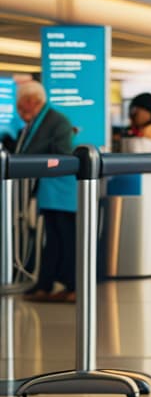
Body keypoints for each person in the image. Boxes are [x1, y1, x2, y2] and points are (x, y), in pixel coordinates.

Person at [10, 82, 77, 303]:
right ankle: (46, 285)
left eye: (20, 106)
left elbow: (58, 153)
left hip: (62, 191)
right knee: (53, 240)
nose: (19, 111)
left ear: (31, 101)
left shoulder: (56, 121)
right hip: (51, 191)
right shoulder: (39, 122)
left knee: (65, 239)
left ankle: (71, 286)